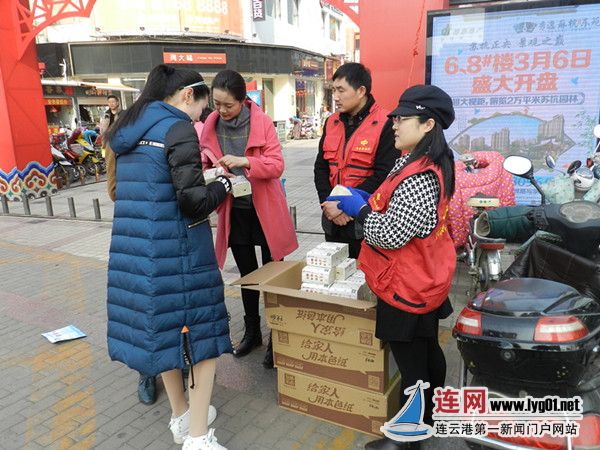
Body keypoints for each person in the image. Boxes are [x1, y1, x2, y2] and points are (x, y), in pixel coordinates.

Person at [105, 64, 232, 450]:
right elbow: (193, 202)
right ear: (186, 96)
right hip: (178, 255)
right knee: (201, 339)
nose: (200, 118)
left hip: (139, 255)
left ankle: (181, 417)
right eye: (201, 108)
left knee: (168, 337)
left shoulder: (127, 131)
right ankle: (198, 438)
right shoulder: (176, 128)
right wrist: (223, 186)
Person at [327, 85, 457, 450]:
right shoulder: (420, 159)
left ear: (428, 123)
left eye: (402, 118)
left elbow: (392, 233)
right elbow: (396, 204)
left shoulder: (421, 173)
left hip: (406, 285)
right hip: (424, 278)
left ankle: (406, 439)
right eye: (395, 117)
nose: (394, 124)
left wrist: (360, 210)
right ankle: (431, 418)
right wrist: (368, 198)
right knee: (427, 351)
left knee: (412, 365)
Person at [200, 69, 298, 367]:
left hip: (265, 211)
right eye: (216, 103)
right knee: (247, 276)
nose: (221, 110)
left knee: (272, 277)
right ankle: (253, 332)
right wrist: (214, 171)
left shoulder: (262, 123)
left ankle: (276, 338)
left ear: (243, 100)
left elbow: (276, 165)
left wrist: (245, 161)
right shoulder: (210, 125)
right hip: (235, 211)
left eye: (227, 104)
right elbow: (203, 161)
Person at [102, 95, 158, 406]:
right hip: (136, 232)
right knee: (142, 305)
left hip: (143, 233)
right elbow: (114, 190)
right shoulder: (121, 140)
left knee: (159, 303)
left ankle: (162, 368)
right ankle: (146, 372)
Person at [314, 62, 397, 259]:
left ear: (361, 91)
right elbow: (321, 168)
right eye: (333, 90)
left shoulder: (386, 123)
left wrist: (344, 206)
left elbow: (384, 176)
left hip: (364, 220)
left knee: (365, 281)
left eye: (341, 90)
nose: (335, 97)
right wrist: (329, 205)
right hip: (332, 219)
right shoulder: (331, 122)